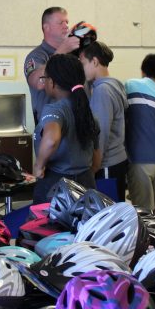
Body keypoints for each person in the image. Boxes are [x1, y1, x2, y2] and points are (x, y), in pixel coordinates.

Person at [32, 53, 101, 203]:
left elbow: (51, 140)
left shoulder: (55, 110)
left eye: (45, 79)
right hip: (86, 183)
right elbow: (96, 159)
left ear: (53, 82)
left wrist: (38, 166)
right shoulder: (87, 113)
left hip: (56, 185)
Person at [124, 53, 155, 222]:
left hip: (139, 157)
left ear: (143, 71)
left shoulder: (131, 85)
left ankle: (148, 246)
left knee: (143, 211)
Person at [80, 41, 129, 202]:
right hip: (118, 160)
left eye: (83, 63)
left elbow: (100, 134)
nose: (82, 68)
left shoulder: (102, 91)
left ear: (94, 61)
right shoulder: (114, 84)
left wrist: (93, 168)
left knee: (108, 217)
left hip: (107, 163)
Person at [24, 7, 81, 124]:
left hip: (76, 122)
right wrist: (61, 50)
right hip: (49, 123)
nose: (66, 26)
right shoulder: (37, 56)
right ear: (46, 27)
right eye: (61, 22)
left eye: (67, 22)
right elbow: (39, 83)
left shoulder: (73, 54)